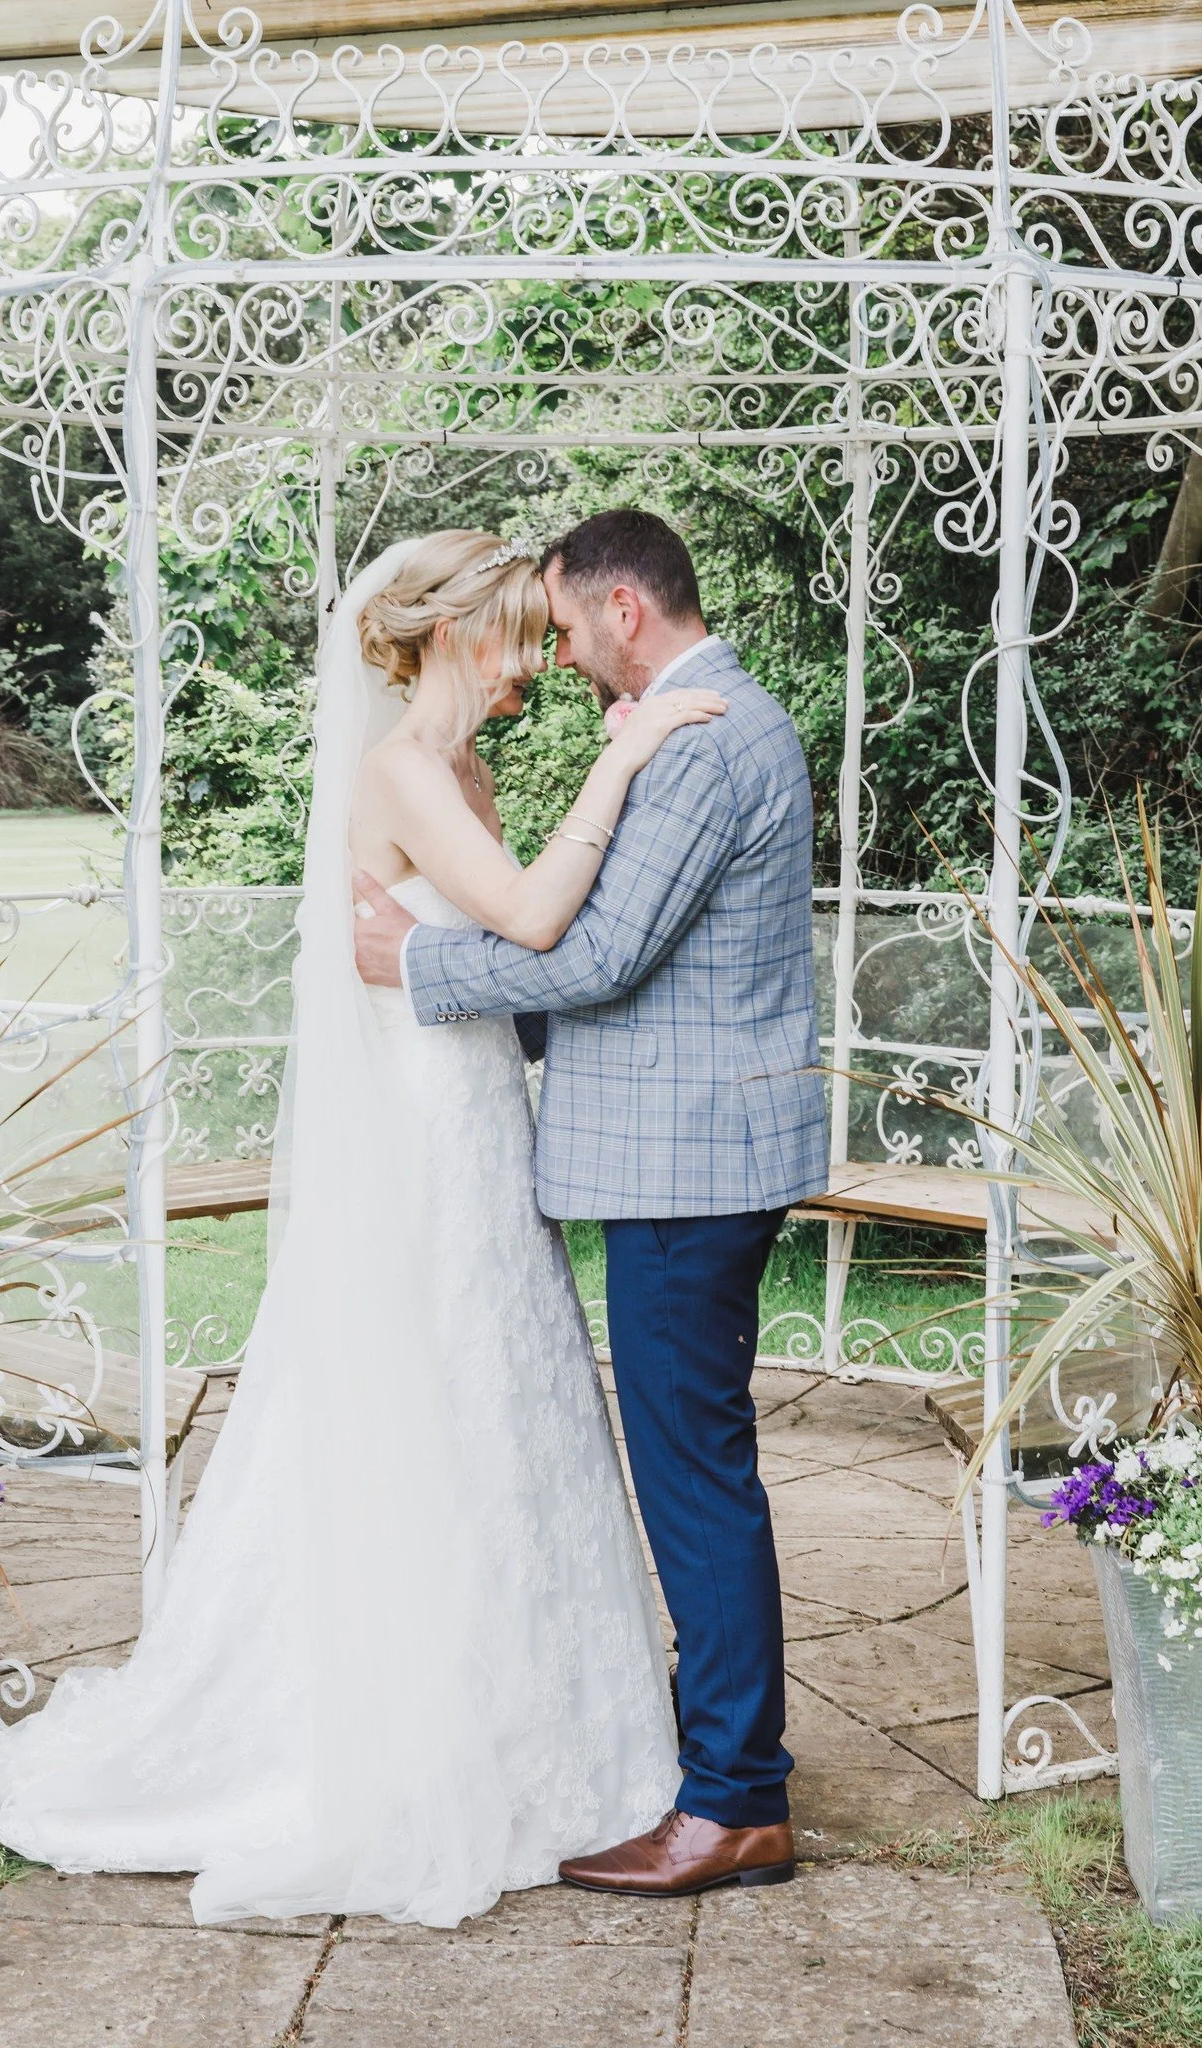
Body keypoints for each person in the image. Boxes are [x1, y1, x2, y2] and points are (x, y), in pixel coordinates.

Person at [0, 527, 724, 1929]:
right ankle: (363, 1725)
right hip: (423, 1134)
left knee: (508, 1407)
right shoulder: (401, 775)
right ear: (447, 633)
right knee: (411, 1399)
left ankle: (541, 1729)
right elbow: (539, 918)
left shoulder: (468, 773)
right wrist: (627, 758)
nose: (540, 663)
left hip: (484, 1115)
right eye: (520, 637)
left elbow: (489, 953)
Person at [355, 508, 828, 1898]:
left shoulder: (699, 737)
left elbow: (601, 957)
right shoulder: (703, 724)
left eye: (563, 629)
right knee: (694, 1467)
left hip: (690, 1163)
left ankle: (737, 1798)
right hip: (683, 1152)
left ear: (626, 611)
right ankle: (715, 1763)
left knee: (693, 1479)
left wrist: (420, 971)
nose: (555, 659)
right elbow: (617, 959)